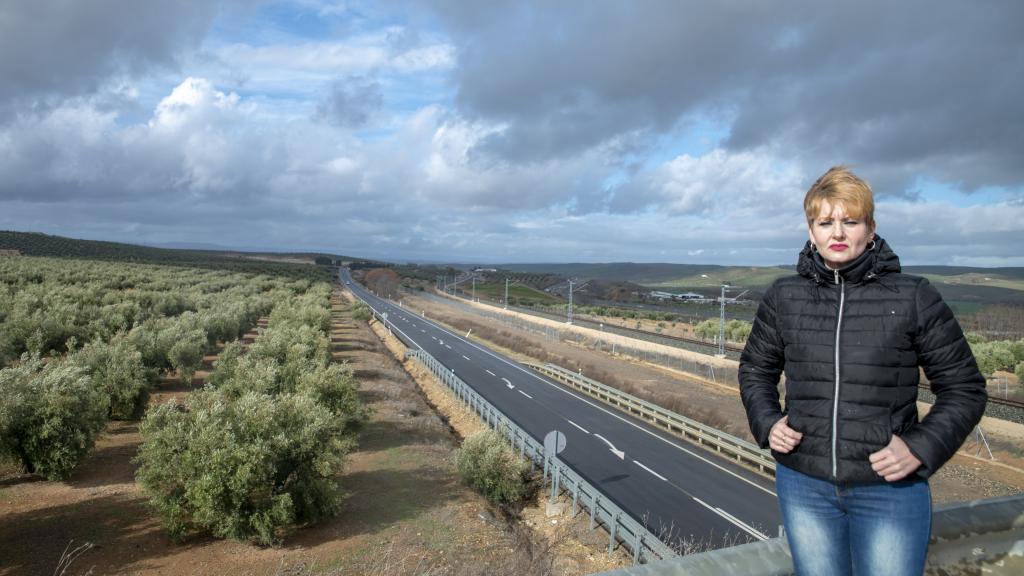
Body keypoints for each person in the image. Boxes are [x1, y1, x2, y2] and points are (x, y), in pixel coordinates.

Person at [739, 166, 987, 576]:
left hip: (889, 489)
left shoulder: (913, 297)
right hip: (805, 484)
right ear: (811, 230)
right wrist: (767, 421)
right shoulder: (785, 296)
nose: (837, 233)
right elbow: (755, 369)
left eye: (850, 221)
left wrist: (920, 448)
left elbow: (965, 388)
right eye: (826, 222)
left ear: (870, 229)